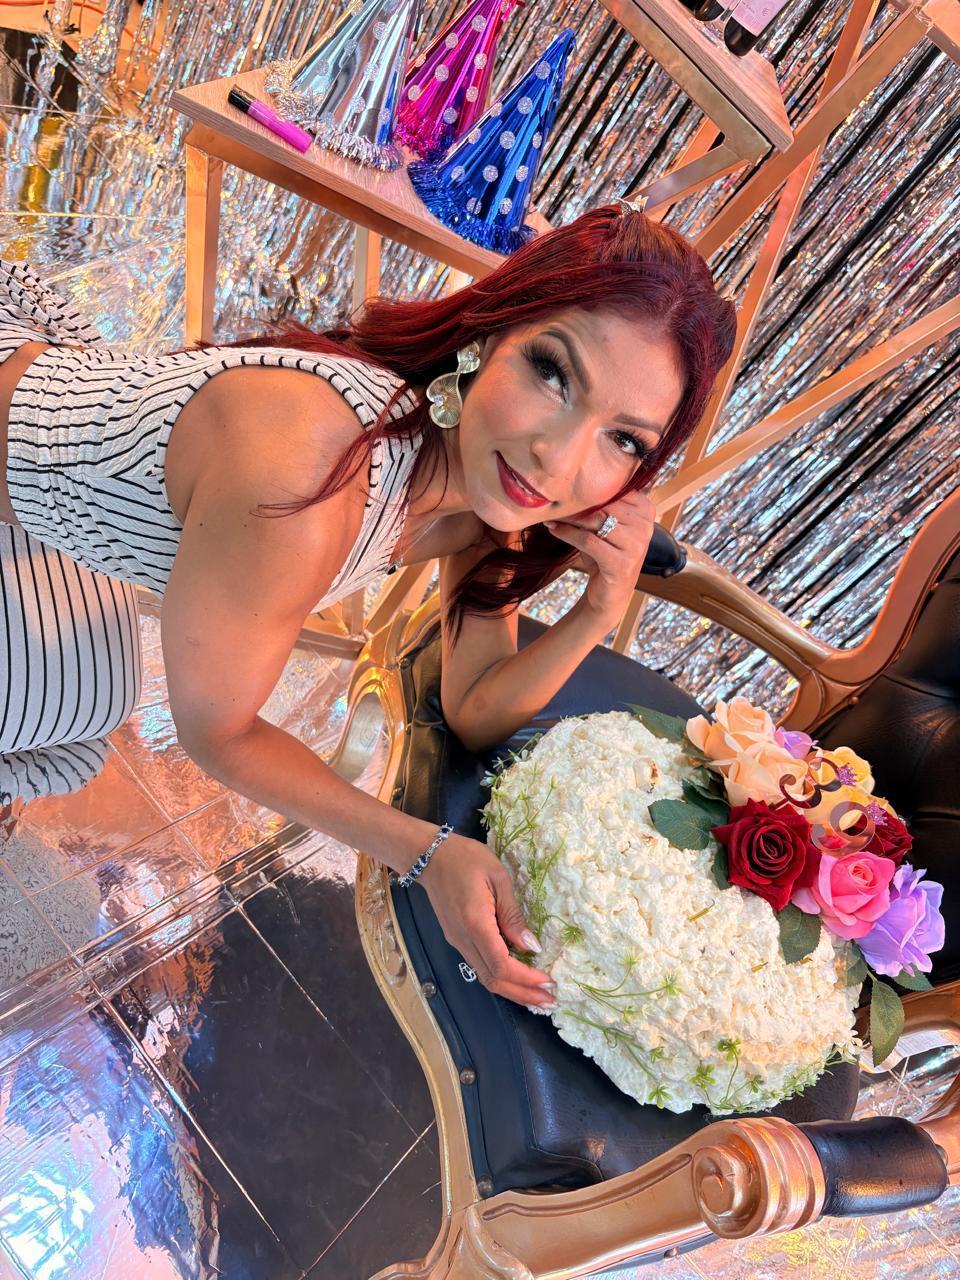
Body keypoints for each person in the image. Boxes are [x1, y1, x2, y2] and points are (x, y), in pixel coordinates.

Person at [0, 201, 737, 1011]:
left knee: (80, 688)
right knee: (77, 700)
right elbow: (217, 734)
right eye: (553, 373)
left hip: (63, 485)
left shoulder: (476, 491)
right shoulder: (307, 483)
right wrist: (425, 854)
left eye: (624, 440)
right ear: (489, 336)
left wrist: (598, 607)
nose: (558, 461)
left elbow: (473, 709)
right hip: (22, 468)